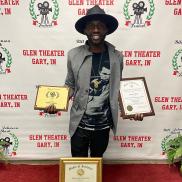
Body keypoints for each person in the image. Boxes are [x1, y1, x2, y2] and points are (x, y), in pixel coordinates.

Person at [45, 5, 143, 157]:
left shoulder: (117, 57)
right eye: (91, 26)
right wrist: (56, 103)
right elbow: (70, 84)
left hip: (103, 124)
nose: (96, 30)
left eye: (100, 26)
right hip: (79, 124)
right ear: (85, 30)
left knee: (96, 163)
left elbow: (118, 88)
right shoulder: (73, 55)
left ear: (107, 30)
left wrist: (134, 109)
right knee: (78, 165)